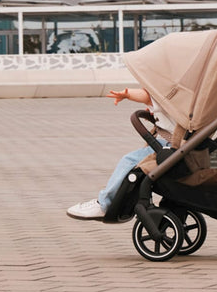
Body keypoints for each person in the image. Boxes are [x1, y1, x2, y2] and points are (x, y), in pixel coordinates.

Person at [66, 87, 166, 220]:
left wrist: (128, 94)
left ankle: (103, 204)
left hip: (170, 146)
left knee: (129, 160)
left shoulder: (169, 98)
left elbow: (148, 96)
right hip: (184, 143)